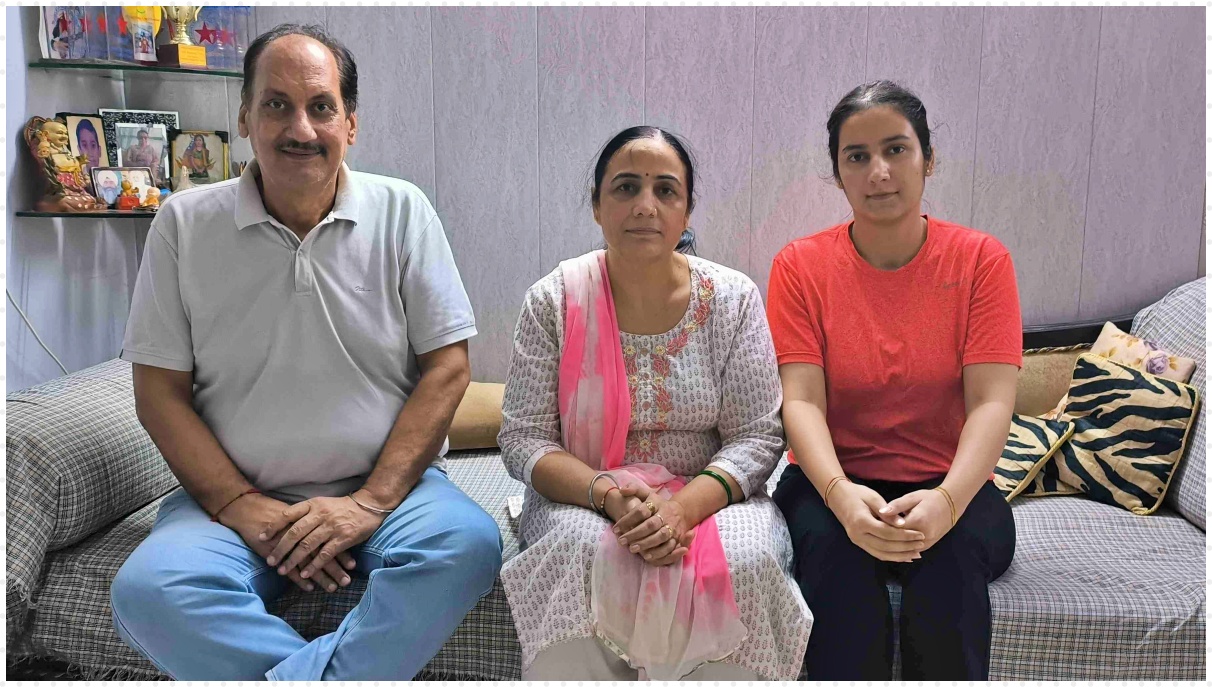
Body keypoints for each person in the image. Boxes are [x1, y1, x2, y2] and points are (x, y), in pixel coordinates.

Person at [109, 23, 502, 680]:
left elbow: (448, 368)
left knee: (467, 545)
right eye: (276, 104)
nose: (300, 127)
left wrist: (369, 502)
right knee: (148, 591)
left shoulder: (403, 211)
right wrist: (239, 504)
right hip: (232, 502)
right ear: (244, 119)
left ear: (351, 124)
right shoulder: (183, 223)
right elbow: (158, 391)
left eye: (320, 106)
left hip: (392, 495)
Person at [498, 126, 811, 681]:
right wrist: (609, 496)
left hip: (710, 497)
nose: (645, 206)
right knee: (580, 552)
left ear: (687, 211)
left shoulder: (732, 300)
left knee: (745, 560)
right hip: (587, 493)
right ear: (597, 206)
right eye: (625, 188)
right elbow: (524, 438)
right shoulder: (555, 300)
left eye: (666, 190)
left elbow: (760, 434)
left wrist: (680, 510)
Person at [766, 80, 1021, 680]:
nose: (878, 171)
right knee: (837, 581)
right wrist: (841, 498)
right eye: (857, 156)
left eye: (896, 150)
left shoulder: (982, 261)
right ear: (837, 173)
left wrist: (948, 501)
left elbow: (991, 403)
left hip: (951, 484)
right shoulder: (799, 266)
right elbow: (799, 400)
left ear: (928, 159)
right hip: (830, 485)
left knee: (950, 575)